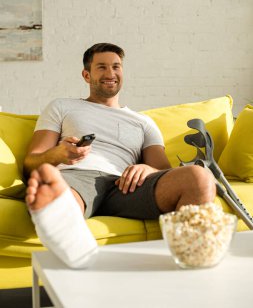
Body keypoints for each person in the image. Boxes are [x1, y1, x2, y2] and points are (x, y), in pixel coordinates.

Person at [25, 42, 216, 269]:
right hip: (78, 177)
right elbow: (31, 162)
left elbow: (165, 171)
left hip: (125, 185)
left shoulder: (143, 122)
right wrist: (57, 154)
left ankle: (190, 264)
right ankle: (74, 243)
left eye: (116, 67)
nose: (110, 73)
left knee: (199, 177)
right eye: (102, 67)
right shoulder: (61, 107)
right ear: (86, 75)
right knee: (55, 191)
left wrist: (148, 169)